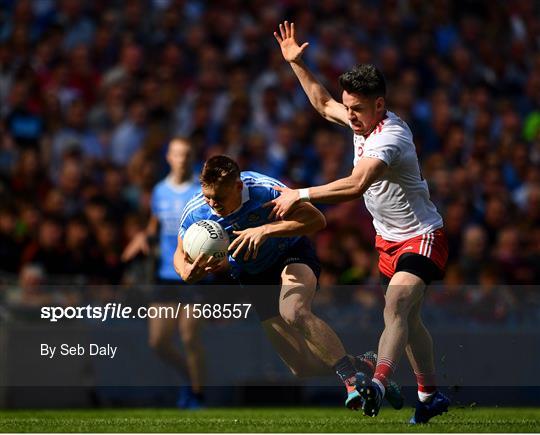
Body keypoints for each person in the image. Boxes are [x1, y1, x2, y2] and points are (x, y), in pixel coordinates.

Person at [270, 21, 449, 423]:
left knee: (397, 303)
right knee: (409, 320)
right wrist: (297, 63)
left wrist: (299, 194)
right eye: (347, 106)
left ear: (380, 106)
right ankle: (430, 395)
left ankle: (379, 382)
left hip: (421, 236)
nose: (349, 115)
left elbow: (355, 185)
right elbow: (321, 103)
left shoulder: (391, 136)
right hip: (388, 240)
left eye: (357, 109)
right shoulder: (358, 119)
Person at [173, 155, 403, 411]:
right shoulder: (196, 210)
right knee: (301, 367)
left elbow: (317, 220)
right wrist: (186, 273)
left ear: (238, 187)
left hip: (290, 254)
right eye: (208, 197)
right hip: (253, 277)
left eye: (219, 197)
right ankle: (363, 365)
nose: (213, 204)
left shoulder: (265, 190)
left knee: (293, 310)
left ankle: (351, 382)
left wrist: (266, 230)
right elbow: (180, 255)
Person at [122, 137, 204, 409]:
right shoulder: (159, 191)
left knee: (189, 337)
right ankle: (188, 379)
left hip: (193, 273)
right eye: (178, 154)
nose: (183, 159)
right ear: (169, 158)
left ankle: (197, 395)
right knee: (157, 341)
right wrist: (142, 237)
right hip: (165, 273)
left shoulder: (201, 191)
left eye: (188, 154)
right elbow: (155, 224)